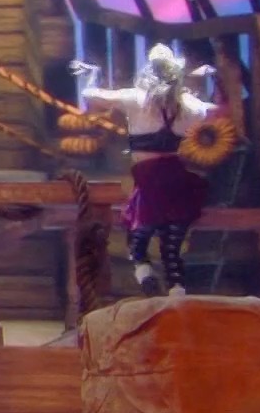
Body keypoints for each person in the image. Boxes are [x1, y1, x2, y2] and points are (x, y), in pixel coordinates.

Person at [73, 47, 222, 296]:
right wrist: (214, 83)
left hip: (150, 181)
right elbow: (214, 111)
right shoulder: (190, 105)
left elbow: (90, 96)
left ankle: (147, 277)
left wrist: (93, 74)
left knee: (138, 238)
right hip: (179, 181)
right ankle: (175, 290)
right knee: (171, 245)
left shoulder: (135, 98)